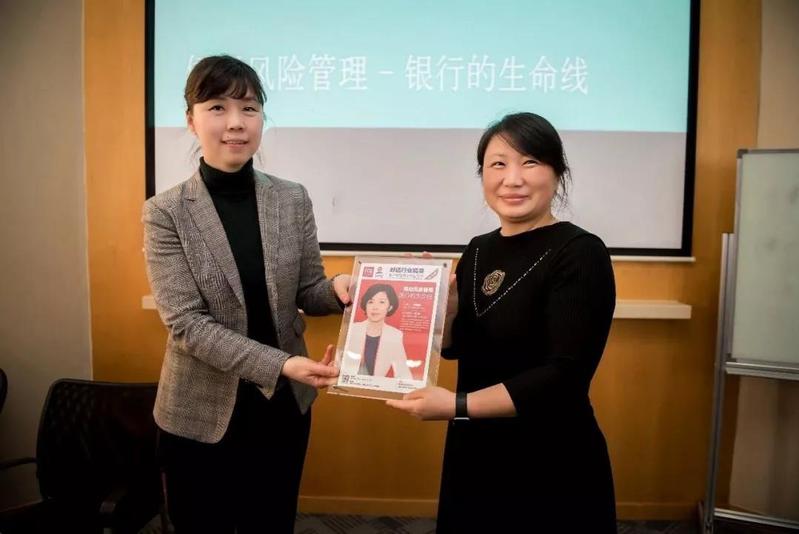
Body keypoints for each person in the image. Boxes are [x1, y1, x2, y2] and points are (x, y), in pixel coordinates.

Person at [142, 55, 350, 534]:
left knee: (271, 523)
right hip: (200, 414)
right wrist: (281, 364)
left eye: (250, 108)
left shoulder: (291, 198)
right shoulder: (165, 212)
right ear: (191, 120)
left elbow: (308, 289)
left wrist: (340, 291)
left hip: (282, 409)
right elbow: (187, 325)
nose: (236, 123)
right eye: (217, 107)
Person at [387, 112, 617, 533]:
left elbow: (564, 376)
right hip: (475, 450)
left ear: (557, 173)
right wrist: (447, 310)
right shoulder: (478, 249)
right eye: (498, 164)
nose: (513, 179)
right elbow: (458, 348)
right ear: (482, 176)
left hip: (550, 458)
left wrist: (456, 406)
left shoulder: (581, 252)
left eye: (530, 162)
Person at [340, 283, 412, 379]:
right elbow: (340, 361)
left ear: (390, 307)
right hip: (349, 382)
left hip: (376, 385)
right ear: (365, 305)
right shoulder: (353, 329)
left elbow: (403, 370)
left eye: (381, 302)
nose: (375, 307)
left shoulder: (395, 335)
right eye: (371, 302)